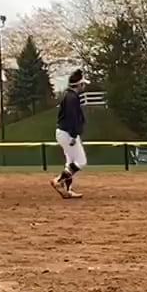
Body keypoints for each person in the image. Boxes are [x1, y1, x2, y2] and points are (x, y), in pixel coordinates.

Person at [53, 70, 90, 198]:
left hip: (63, 132)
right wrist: (74, 135)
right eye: (83, 84)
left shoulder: (68, 96)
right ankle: (59, 180)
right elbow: (72, 118)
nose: (84, 86)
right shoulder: (72, 98)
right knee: (81, 161)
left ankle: (67, 190)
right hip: (67, 133)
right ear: (79, 85)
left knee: (70, 162)